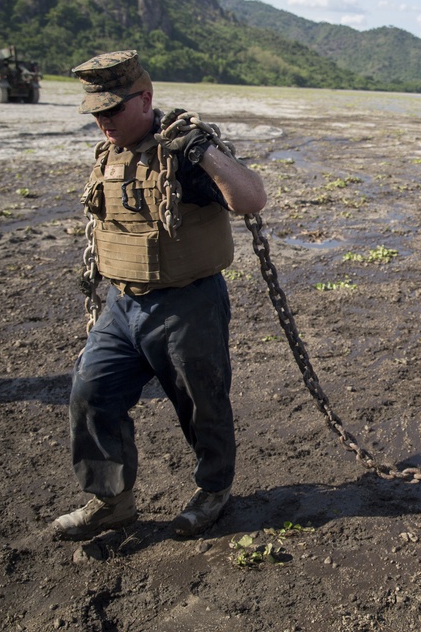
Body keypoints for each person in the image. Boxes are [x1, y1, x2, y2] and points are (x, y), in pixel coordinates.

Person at [52, 50, 267, 540]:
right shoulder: (110, 153)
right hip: (122, 306)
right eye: (97, 112)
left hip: (187, 306)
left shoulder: (183, 154)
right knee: (91, 394)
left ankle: (214, 490)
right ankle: (112, 500)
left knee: (201, 405)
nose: (104, 121)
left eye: (113, 109)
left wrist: (203, 151)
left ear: (145, 98)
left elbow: (251, 198)